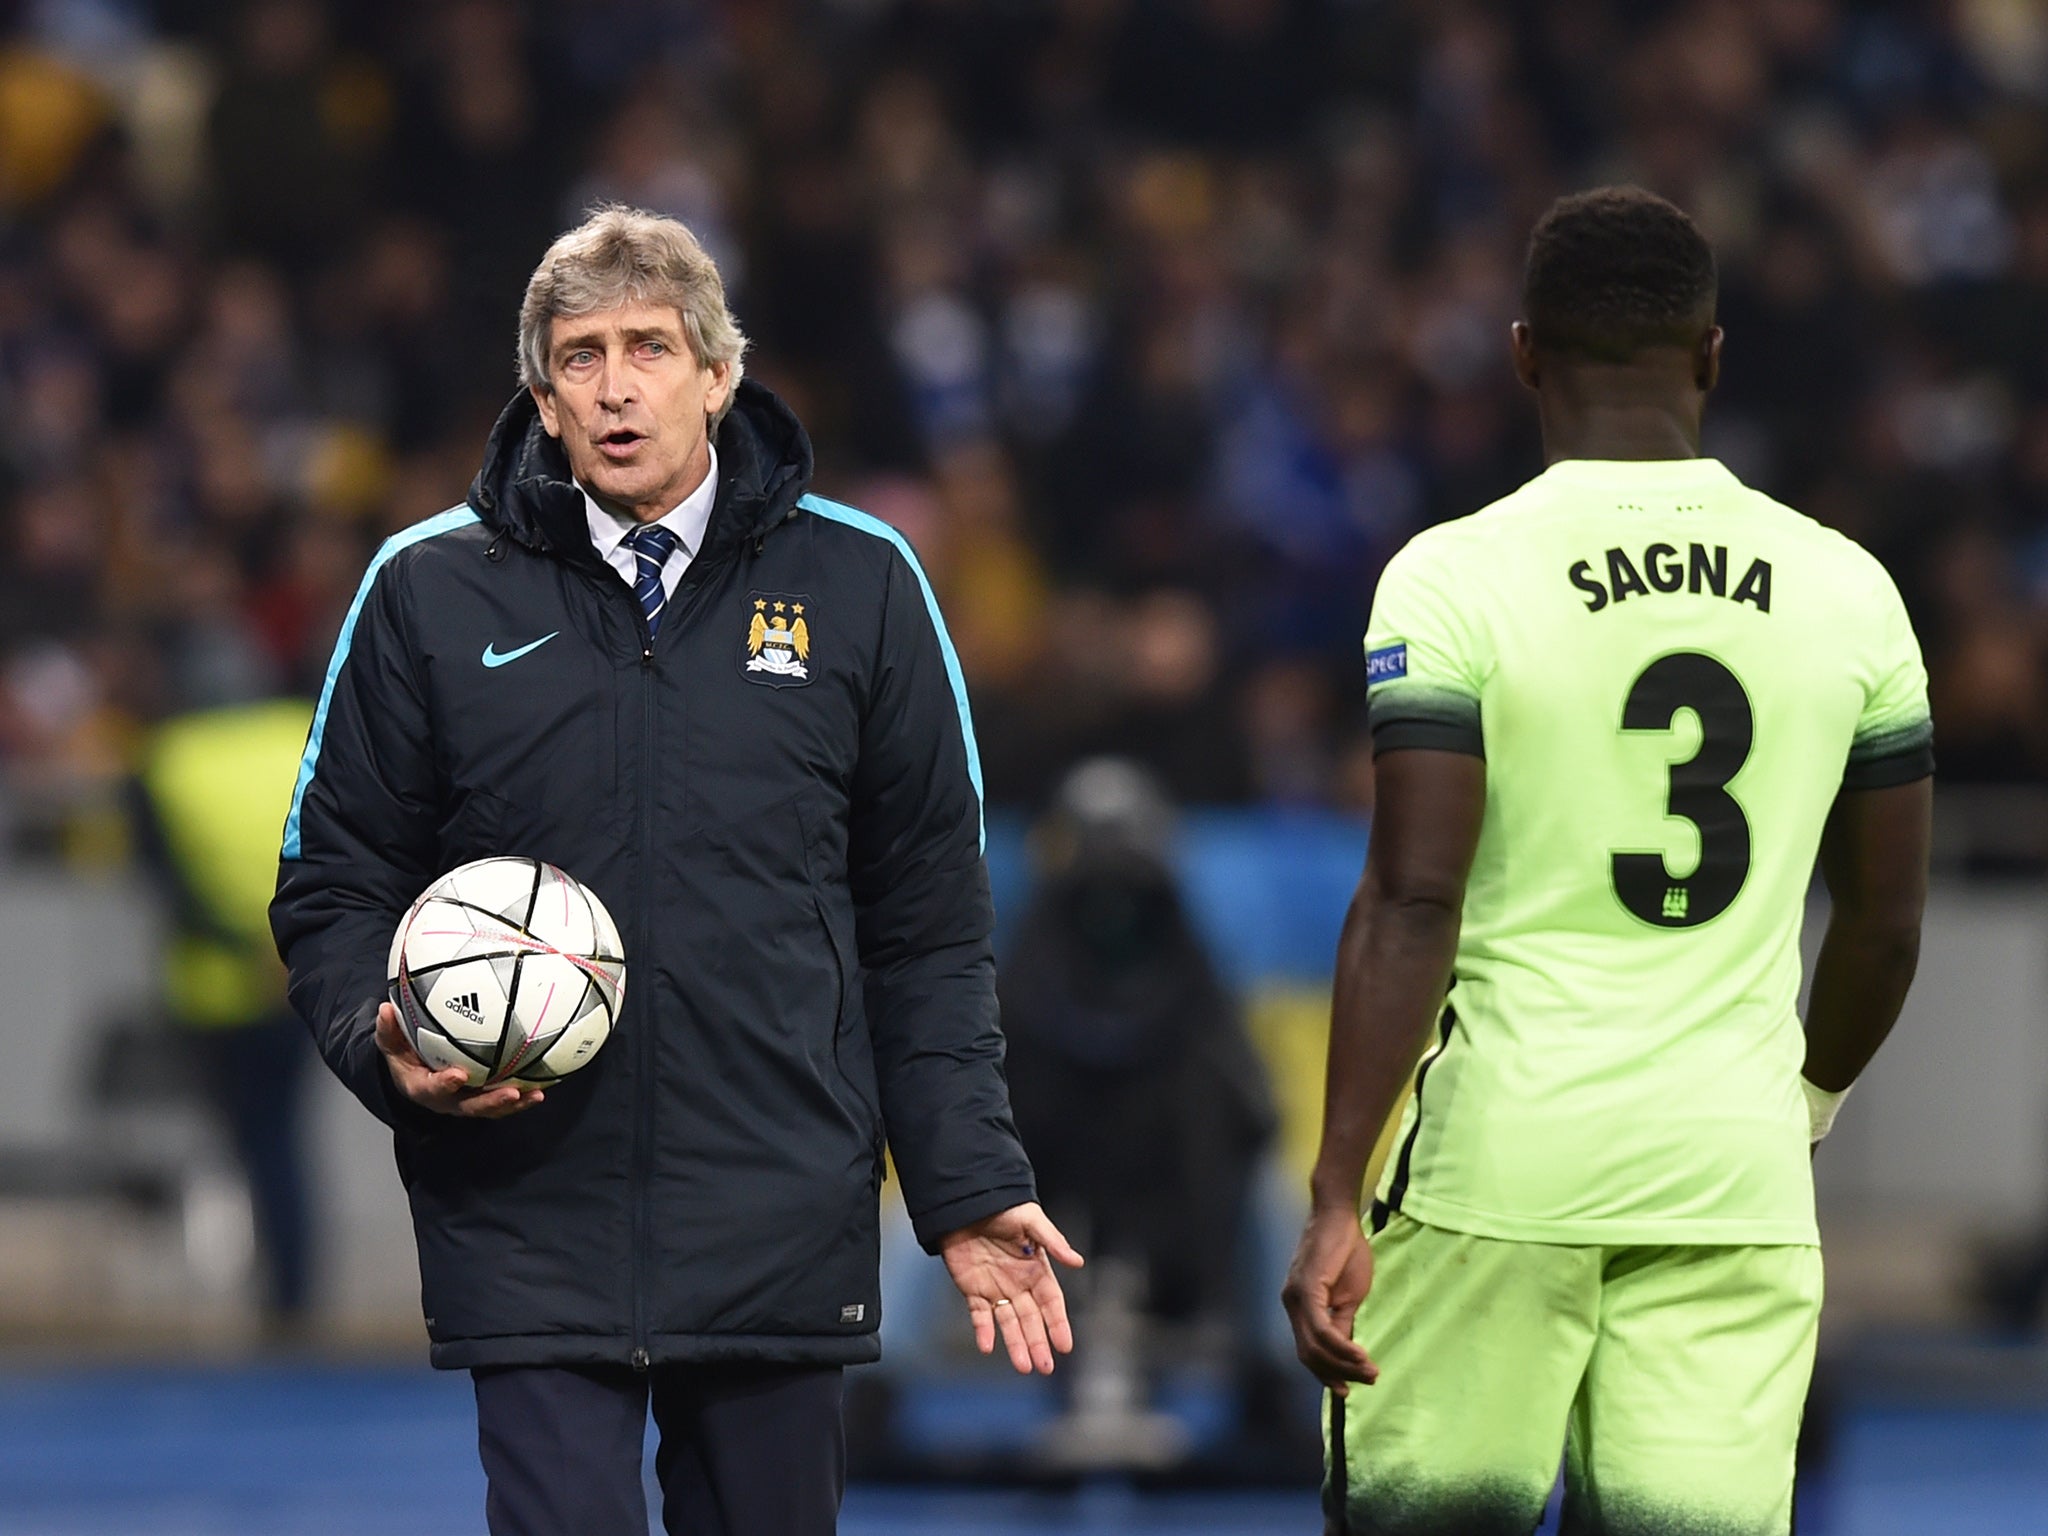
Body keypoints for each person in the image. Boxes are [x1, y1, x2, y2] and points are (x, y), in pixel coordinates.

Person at [270, 205, 1081, 1536]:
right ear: (542, 401)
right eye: (579, 357)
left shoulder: (864, 586)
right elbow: (334, 884)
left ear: (719, 374)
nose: (615, 384)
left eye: (650, 346)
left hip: (777, 1206)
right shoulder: (425, 591)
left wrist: (968, 1184)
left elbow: (928, 929)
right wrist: (384, 1040)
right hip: (525, 1206)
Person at [1282, 187, 1933, 1536]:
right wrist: (1797, 1104)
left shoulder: (1453, 579)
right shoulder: (1850, 589)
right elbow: (1883, 926)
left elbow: (1413, 897)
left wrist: (1339, 1188)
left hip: (1499, 1171)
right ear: (1711, 355)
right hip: (1730, 1175)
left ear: (1524, 354)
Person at [132, 693, 318, 1326]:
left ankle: (272, 1290)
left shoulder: (166, 758)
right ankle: (293, 1286)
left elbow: (169, 885)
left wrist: (244, 948)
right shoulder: (301, 730)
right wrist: (291, 945)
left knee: (245, 1138)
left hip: (216, 991)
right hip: (299, 978)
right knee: (283, 1137)